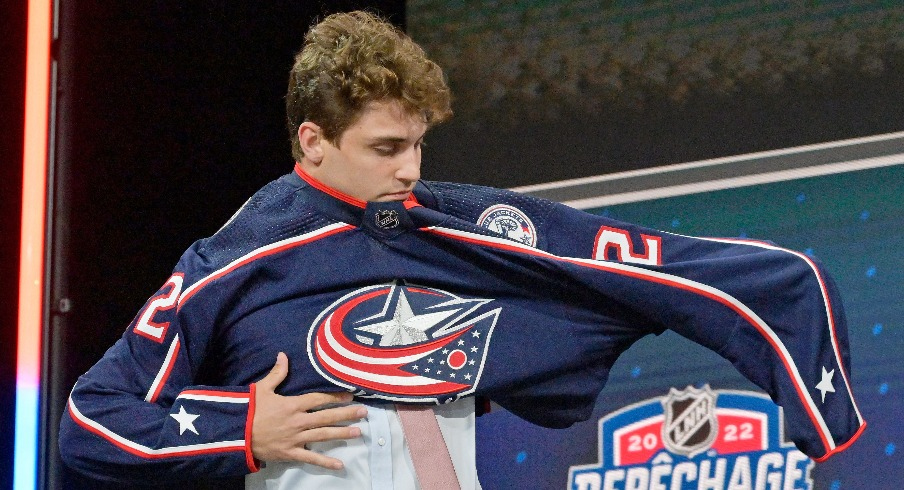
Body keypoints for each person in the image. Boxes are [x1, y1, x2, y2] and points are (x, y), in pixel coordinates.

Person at [59, 10, 865, 489]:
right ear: (313, 141)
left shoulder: (464, 226)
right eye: (385, 148)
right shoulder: (232, 258)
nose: (409, 169)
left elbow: (657, 267)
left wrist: (796, 333)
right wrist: (240, 428)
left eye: (418, 145)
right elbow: (92, 423)